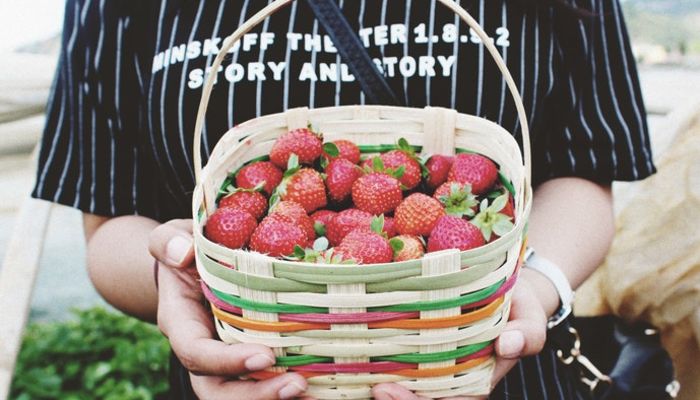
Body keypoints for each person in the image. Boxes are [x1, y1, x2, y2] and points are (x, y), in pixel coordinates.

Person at [33, 0, 654, 398]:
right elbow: (109, 222)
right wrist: (185, 276)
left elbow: (585, 174)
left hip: (488, 365)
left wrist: (534, 284)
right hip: (251, 368)